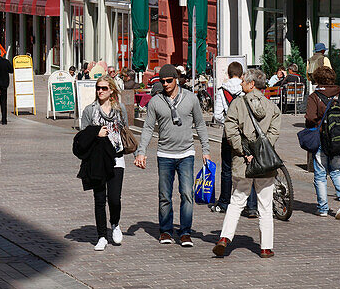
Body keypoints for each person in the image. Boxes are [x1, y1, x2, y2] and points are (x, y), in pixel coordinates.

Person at [135, 63, 210, 247]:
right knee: (165, 195)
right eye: (163, 81)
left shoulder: (191, 99)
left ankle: (185, 232)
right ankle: (166, 231)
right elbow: (147, 128)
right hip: (165, 154)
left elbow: (200, 125)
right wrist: (141, 151)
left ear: (176, 80)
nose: (166, 84)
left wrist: (206, 150)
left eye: (169, 81)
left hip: (186, 153)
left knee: (186, 193)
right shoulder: (156, 102)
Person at [213, 68, 281, 259]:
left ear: (251, 85)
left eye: (244, 81)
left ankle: (225, 238)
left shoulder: (237, 104)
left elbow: (230, 129)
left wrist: (244, 151)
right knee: (265, 206)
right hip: (265, 163)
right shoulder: (272, 107)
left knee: (237, 200)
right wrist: (260, 152)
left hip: (244, 161)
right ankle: (266, 248)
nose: (241, 84)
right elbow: (273, 135)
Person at [80, 76, 132, 250]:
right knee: (99, 199)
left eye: (103, 88)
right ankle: (102, 235)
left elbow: (125, 130)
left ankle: (115, 223)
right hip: (98, 160)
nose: (100, 91)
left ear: (111, 90)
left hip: (116, 158)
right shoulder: (90, 110)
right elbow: (82, 136)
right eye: (98, 88)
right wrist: (96, 134)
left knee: (115, 199)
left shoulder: (120, 109)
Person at [304, 66, 340, 219]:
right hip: (339, 139)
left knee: (320, 175)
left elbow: (310, 117)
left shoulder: (315, 96)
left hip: (321, 139)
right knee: (336, 171)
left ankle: (323, 208)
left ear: (317, 80)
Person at [212, 62, 258, 218]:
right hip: (246, 134)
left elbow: (217, 115)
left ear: (229, 74)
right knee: (249, 167)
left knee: (226, 169)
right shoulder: (246, 89)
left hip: (229, 135)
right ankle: (251, 206)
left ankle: (224, 202)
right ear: (241, 74)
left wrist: (227, 122)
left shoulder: (222, 90)